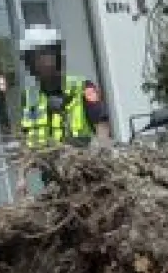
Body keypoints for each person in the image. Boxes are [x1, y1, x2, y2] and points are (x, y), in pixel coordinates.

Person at [15, 26, 110, 194]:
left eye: (45, 55)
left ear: (57, 56)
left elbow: (101, 125)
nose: (41, 62)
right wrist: (21, 177)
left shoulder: (83, 86)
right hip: (52, 178)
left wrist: (100, 157)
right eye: (34, 58)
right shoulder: (30, 98)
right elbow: (28, 140)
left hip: (85, 174)